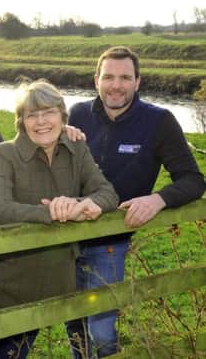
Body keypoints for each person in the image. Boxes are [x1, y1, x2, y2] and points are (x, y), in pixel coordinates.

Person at [65, 46, 206, 357]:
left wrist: (158, 199)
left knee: (100, 331)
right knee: (73, 321)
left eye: (125, 77)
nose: (116, 85)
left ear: (138, 82)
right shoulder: (75, 114)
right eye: (109, 77)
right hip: (65, 237)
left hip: (110, 242)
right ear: (96, 80)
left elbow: (193, 180)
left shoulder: (158, 121)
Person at [0, 79, 119, 359]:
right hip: (11, 283)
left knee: (88, 347)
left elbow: (107, 192)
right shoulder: (5, 153)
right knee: (5, 354)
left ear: (62, 116)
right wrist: (51, 212)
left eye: (48, 112)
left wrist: (84, 204)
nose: (41, 121)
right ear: (21, 121)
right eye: (32, 115)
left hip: (62, 277)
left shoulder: (78, 149)